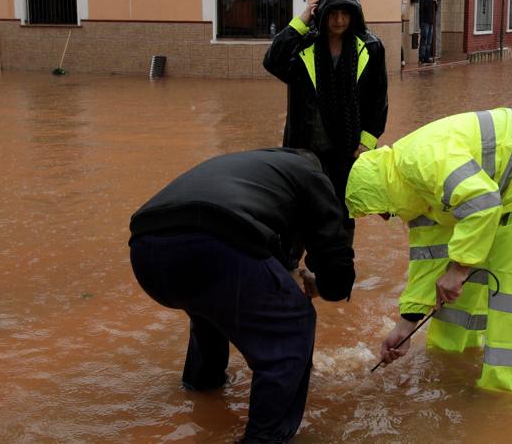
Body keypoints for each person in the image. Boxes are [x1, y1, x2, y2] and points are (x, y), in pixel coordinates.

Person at [129, 148, 355, 444]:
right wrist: (322, 284)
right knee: (294, 322)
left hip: (146, 253)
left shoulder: (255, 171)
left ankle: (202, 391)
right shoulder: (311, 174)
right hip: (215, 241)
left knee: (210, 307)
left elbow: (263, 254)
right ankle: (266, 439)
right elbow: (337, 268)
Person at [346, 108, 512, 391]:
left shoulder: (423, 162)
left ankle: (504, 394)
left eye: (378, 211)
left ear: (380, 191)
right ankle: (449, 363)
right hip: (504, 185)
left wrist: (459, 268)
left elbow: (483, 202)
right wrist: (405, 326)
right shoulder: (415, 197)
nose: (384, 218)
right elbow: (429, 261)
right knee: (454, 285)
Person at [263, 0, 388, 237]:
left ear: (354, 13)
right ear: (322, 13)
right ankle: (293, 266)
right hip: (304, 147)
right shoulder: (305, 45)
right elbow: (272, 61)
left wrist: (367, 141)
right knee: (298, 209)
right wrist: (301, 21)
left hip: (347, 149)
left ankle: (335, 271)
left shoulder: (371, 48)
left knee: (342, 211)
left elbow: (379, 99)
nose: (339, 20)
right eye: (332, 13)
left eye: (345, 13)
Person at [418, 0, 439, 64]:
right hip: (424, 22)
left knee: (429, 41)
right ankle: (421, 58)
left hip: (431, 22)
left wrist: (436, 2)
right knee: (424, 40)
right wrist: (432, 0)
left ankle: (427, 57)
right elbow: (424, 7)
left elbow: (435, 9)